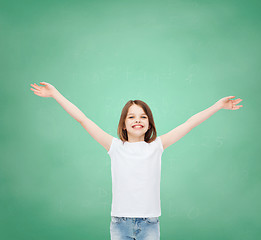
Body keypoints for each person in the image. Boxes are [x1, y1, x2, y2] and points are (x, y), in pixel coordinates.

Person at [30, 82, 243, 240]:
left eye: (142, 116)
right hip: (120, 224)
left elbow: (189, 124)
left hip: (150, 224)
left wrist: (217, 106)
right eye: (131, 117)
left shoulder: (157, 146)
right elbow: (83, 119)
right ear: (124, 124)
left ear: (149, 124)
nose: (137, 120)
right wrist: (55, 94)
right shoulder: (114, 147)